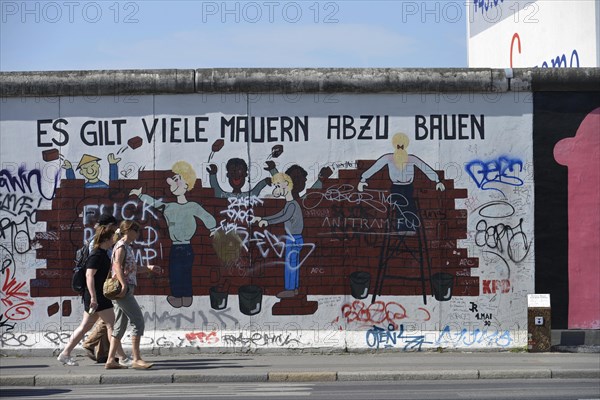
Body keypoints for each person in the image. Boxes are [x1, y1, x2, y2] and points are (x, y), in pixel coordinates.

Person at [130, 161, 216, 309]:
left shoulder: (192, 206)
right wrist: (141, 195)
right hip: (176, 247)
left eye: (177, 180)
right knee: (175, 273)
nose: (172, 183)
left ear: (187, 185)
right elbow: (155, 203)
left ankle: (186, 297)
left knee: (185, 273)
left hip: (186, 246)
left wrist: (213, 228)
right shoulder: (169, 207)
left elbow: (206, 216)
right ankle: (178, 297)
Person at [57, 226, 129, 368]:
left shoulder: (102, 253)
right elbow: (89, 275)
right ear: (107, 240)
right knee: (111, 325)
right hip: (96, 297)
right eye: (112, 238)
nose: (114, 241)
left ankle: (65, 354)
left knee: (85, 327)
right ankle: (121, 357)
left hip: (95, 296)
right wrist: (93, 298)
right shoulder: (96, 255)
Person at [357, 132, 445, 232]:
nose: (400, 147)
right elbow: (375, 167)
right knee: (400, 205)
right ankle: (402, 227)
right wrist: (363, 179)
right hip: (396, 187)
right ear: (395, 145)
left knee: (409, 205)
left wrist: (437, 180)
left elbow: (425, 168)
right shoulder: (388, 158)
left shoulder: (411, 158)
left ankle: (410, 227)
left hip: (408, 187)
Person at [106, 220, 162, 369]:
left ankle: (111, 360)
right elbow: (117, 265)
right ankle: (137, 359)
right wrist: (123, 284)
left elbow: (132, 268)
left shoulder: (127, 247)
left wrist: (149, 268)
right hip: (123, 290)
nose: (138, 234)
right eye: (136, 230)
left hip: (125, 288)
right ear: (128, 231)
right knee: (138, 321)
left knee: (120, 325)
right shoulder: (121, 246)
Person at [252, 173, 304, 299]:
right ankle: (295, 289)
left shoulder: (292, 205)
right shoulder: (289, 204)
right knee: (293, 264)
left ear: (286, 184)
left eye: (277, 185)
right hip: (294, 238)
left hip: (293, 239)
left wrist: (267, 221)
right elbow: (280, 214)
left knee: (290, 265)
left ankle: (290, 290)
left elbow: (284, 217)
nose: (276, 188)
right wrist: (263, 218)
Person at [81, 213, 118, 363]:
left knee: (104, 320)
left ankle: (103, 353)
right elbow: (92, 272)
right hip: (98, 289)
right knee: (108, 321)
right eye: (113, 227)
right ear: (108, 226)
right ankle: (90, 344)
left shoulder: (101, 241)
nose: (115, 231)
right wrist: (94, 295)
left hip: (101, 288)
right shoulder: (97, 245)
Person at [207, 157, 272, 198]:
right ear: (228, 175)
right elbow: (216, 190)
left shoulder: (247, 196)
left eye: (240, 170)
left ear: (245, 174)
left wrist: (265, 182)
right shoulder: (224, 196)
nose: (236, 174)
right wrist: (213, 175)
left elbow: (256, 191)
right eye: (233, 171)